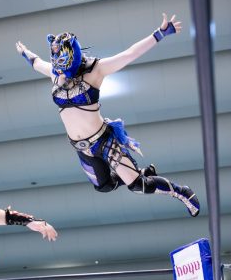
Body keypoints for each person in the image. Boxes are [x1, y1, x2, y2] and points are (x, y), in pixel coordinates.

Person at [16, 15, 200, 217]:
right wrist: (25, 52)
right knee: (104, 186)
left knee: (138, 185)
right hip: (81, 147)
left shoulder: (95, 70)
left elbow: (129, 54)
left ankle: (181, 192)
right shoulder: (55, 73)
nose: (58, 69)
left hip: (103, 141)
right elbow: (37, 63)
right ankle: (139, 172)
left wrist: (159, 34)